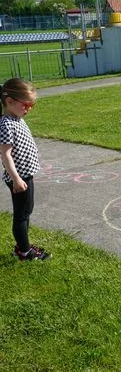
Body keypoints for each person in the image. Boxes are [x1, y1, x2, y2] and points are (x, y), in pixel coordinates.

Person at [0, 78, 49, 261]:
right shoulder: (6, 124)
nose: (28, 109)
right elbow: (5, 155)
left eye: (32, 105)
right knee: (21, 215)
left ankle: (23, 245)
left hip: (25, 175)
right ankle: (24, 251)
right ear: (10, 101)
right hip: (19, 178)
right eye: (26, 104)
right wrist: (16, 179)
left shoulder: (16, 118)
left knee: (27, 211)